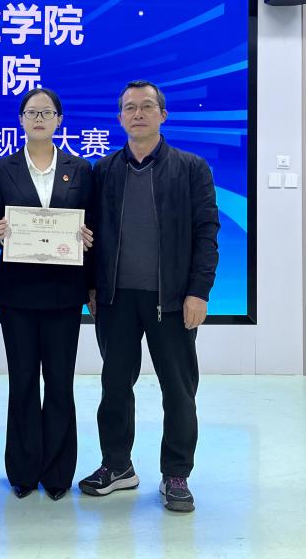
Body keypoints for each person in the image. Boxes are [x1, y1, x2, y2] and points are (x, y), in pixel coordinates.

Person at [78, 80, 220, 513]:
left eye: (146, 106)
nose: (137, 114)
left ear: (163, 115)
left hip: (172, 301)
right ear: (120, 117)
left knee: (179, 390)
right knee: (114, 387)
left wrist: (198, 291)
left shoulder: (191, 168)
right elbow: (89, 233)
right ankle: (117, 465)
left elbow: (206, 233)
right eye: (129, 108)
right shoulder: (104, 170)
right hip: (116, 300)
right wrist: (91, 286)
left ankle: (176, 473)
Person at [0, 88, 95, 501]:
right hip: (17, 292)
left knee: (60, 382)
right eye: (31, 112)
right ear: (21, 119)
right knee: (24, 381)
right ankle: (24, 471)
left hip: (65, 292)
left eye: (47, 112)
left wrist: (87, 238)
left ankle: (58, 473)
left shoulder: (80, 169)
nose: (39, 119)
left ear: (59, 120)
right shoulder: (2, 169)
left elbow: (92, 224)